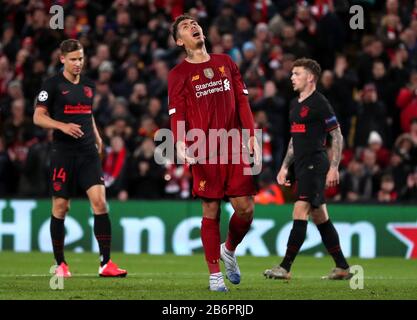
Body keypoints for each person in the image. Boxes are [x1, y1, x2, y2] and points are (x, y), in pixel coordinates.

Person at [168, 15, 260, 292]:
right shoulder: (178, 74)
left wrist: (252, 135)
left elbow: (242, 101)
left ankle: (229, 250)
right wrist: (181, 142)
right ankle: (214, 275)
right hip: (203, 148)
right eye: (185, 27)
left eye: (195, 23)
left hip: (234, 144)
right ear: (178, 41)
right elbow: (177, 113)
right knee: (211, 209)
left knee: (246, 209)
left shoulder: (226, 63)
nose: (193, 27)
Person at [33, 39, 127, 278]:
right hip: (63, 153)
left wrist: (97, 138)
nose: (78, 63)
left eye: (81, 58)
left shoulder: (88, 85)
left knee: (100, 202)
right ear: (62, 59)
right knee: (61, 207)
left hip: (87, 153)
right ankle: (61, 264)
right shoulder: (52, 85)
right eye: (73, 59)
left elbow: (88, 113)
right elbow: (38, 117)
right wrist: (61, 126)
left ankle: (106, 264)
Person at [264, 58, 352, 280]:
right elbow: (295, 140)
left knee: (300, 209)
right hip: (302, 166)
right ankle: (342, 266)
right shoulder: (295, 105)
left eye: (297, 74)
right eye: (292, 74)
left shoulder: (320, 102)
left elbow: (337, 134)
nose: (292, 77)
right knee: (320, 215)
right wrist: (285, 167)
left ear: (310, 77)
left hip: (316, 164)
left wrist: (334, 167)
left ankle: (285, 267)